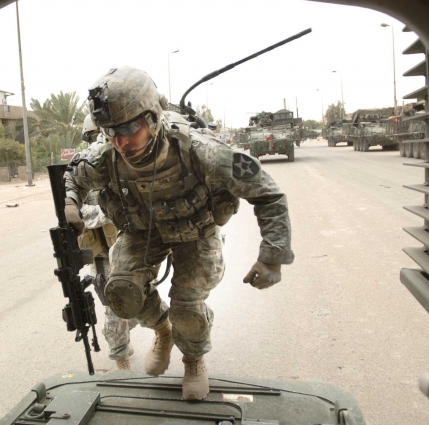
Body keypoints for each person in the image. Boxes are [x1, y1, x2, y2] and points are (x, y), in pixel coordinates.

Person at [64, 66, 293, 400]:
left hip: (196, 232)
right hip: (142, 231)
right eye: (111, 131)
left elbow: (268, 195)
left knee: (187, 305)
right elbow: (74, 175)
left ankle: (193, 359)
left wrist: (272, 256)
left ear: (153, 117)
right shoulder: (106, 155)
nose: (121, 140)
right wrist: (71, 203)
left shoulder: (203, 152)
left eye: (130, 127)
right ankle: (162, 330)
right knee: (122, 294)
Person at [78, 115, 140, 370]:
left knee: (137, 308)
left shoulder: (128, 167)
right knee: (114, 309)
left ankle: (125, 338)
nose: (99, 143)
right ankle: (121, 358)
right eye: (94, 138)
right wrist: (112, 212)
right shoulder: (83, 172)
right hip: (103, 256)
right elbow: (80, 215)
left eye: (103, 137)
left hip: (130, 249)